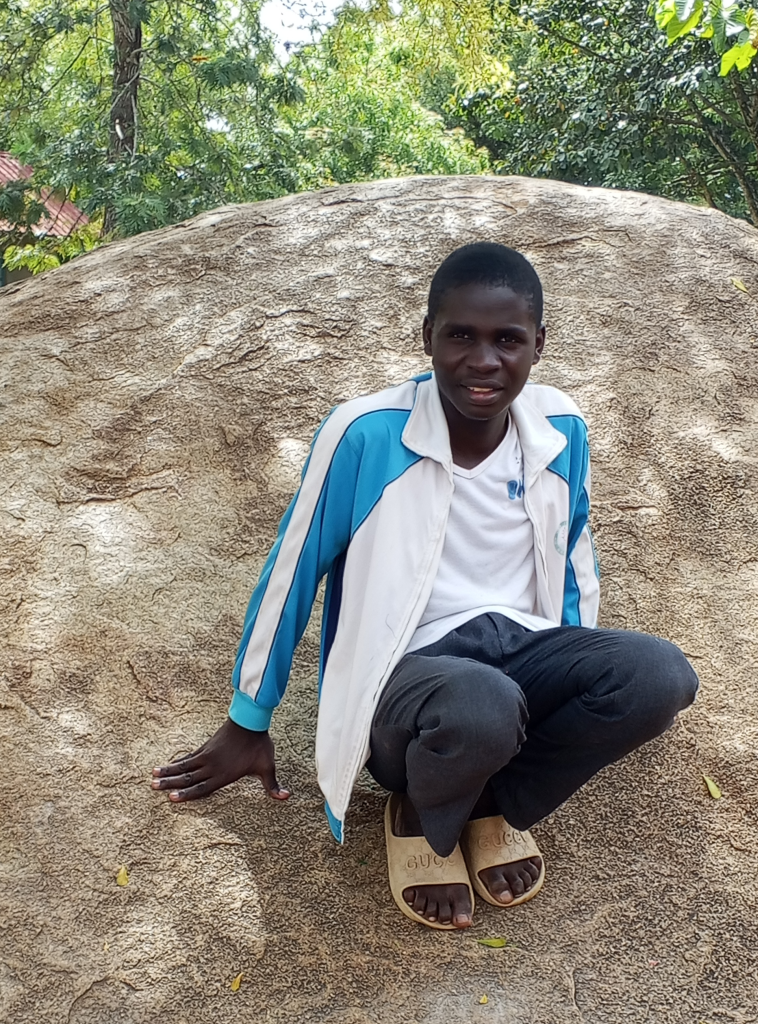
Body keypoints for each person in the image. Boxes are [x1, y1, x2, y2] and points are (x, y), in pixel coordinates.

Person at [152, 242, 698, 930]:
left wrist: (573, 675)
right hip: (409, 680)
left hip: (520, 650)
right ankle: (418, 807)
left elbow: (571, 561)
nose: (483, 360)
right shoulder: (366, 434)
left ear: (538, 344)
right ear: (427, 337)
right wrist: (247, 720)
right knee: (480, 705)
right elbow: (293, 569)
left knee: (658, 676)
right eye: (460, 336)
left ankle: (493, 800)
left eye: (507, 340)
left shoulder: (560, 428)